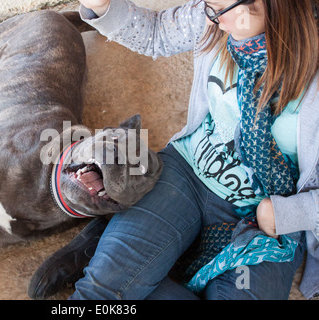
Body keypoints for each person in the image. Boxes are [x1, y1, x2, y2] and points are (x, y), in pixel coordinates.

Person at [28, 0, 319, 300]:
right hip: (187, 173)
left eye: (218, 10)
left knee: (132, 278)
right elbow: (156, 33)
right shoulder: (214, 18)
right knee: (102, 290)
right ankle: (118, 254)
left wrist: (289, 213)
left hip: (266, 221)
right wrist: (103, 7)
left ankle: (115, 249)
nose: (212, 19)